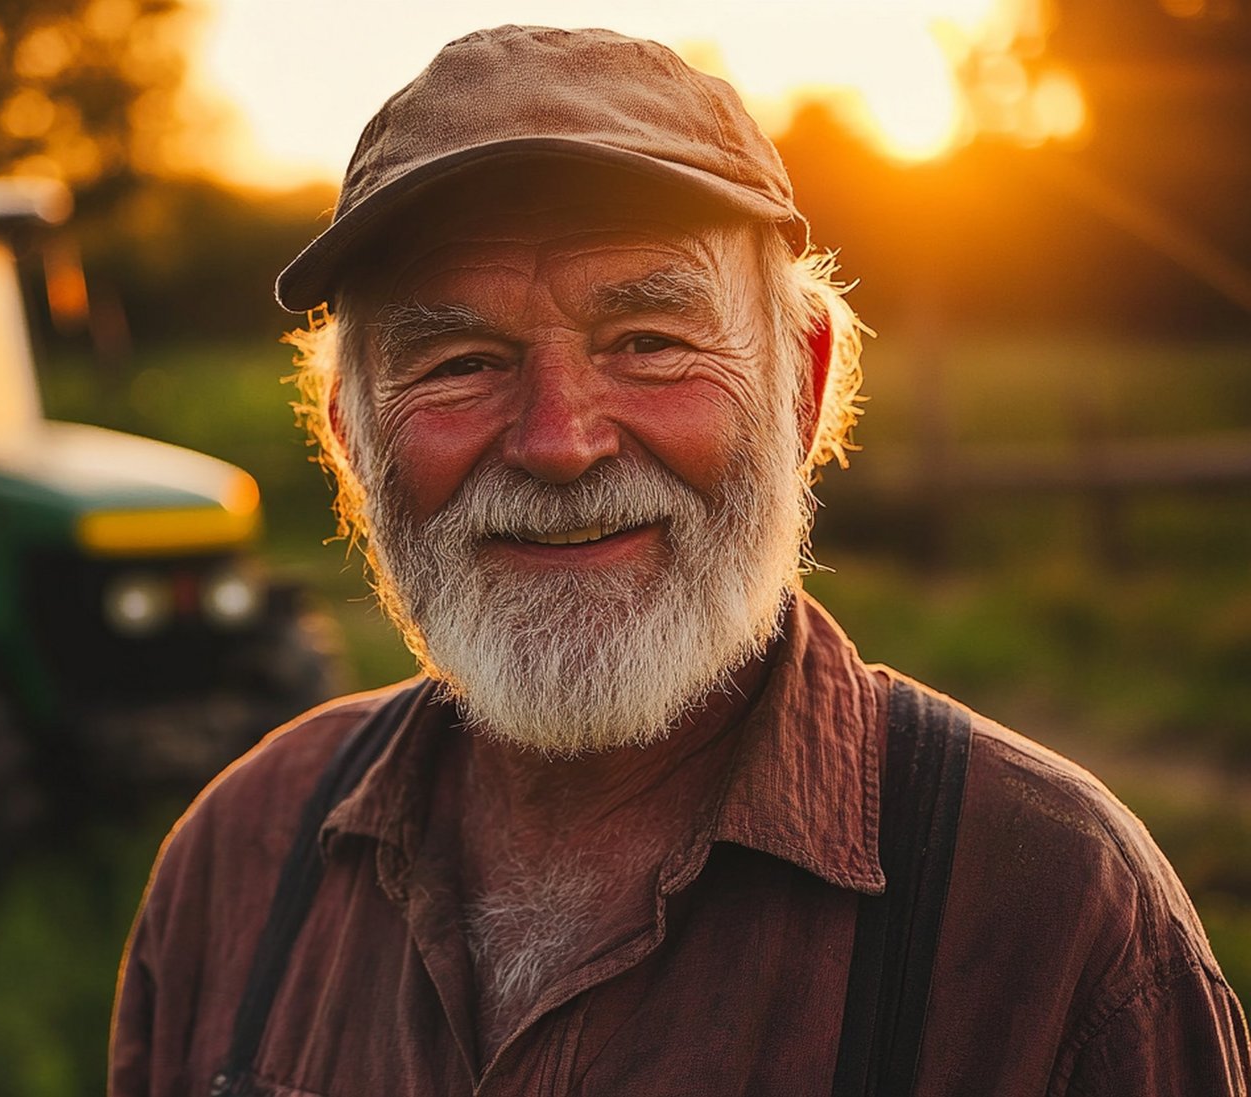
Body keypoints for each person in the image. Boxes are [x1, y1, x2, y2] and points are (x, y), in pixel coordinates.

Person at [109, 25, 1249, 1096]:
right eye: (460, 360)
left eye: (649, 342)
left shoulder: (1056, 920)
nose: (561, 441)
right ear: (352, 436)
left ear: (800, 388)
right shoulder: (233, 867)